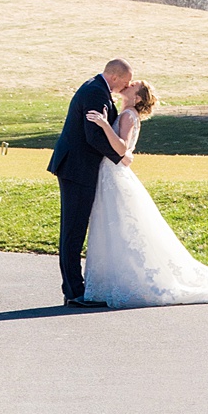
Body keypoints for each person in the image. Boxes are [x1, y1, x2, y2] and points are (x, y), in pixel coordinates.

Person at [82, 79, 208, 308]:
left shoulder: (127, 115)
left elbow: (122, 148)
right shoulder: (125, 112)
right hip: (112, 173)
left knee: (120, 225)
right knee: (116, 226)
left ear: (137, 98)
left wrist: (105, 125)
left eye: (134, 85)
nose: (129, 84)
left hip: (114, 175)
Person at [47, 57, 132, 306]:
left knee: (74, 229)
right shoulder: (95, 92)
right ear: (114, 77)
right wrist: (120, 156)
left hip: (78, 167)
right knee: (73, 230)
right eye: (124, 82)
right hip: (77, 168)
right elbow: (93, 136)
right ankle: (74, 291)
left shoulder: (95, 87)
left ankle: (73, 288)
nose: (125, 87)